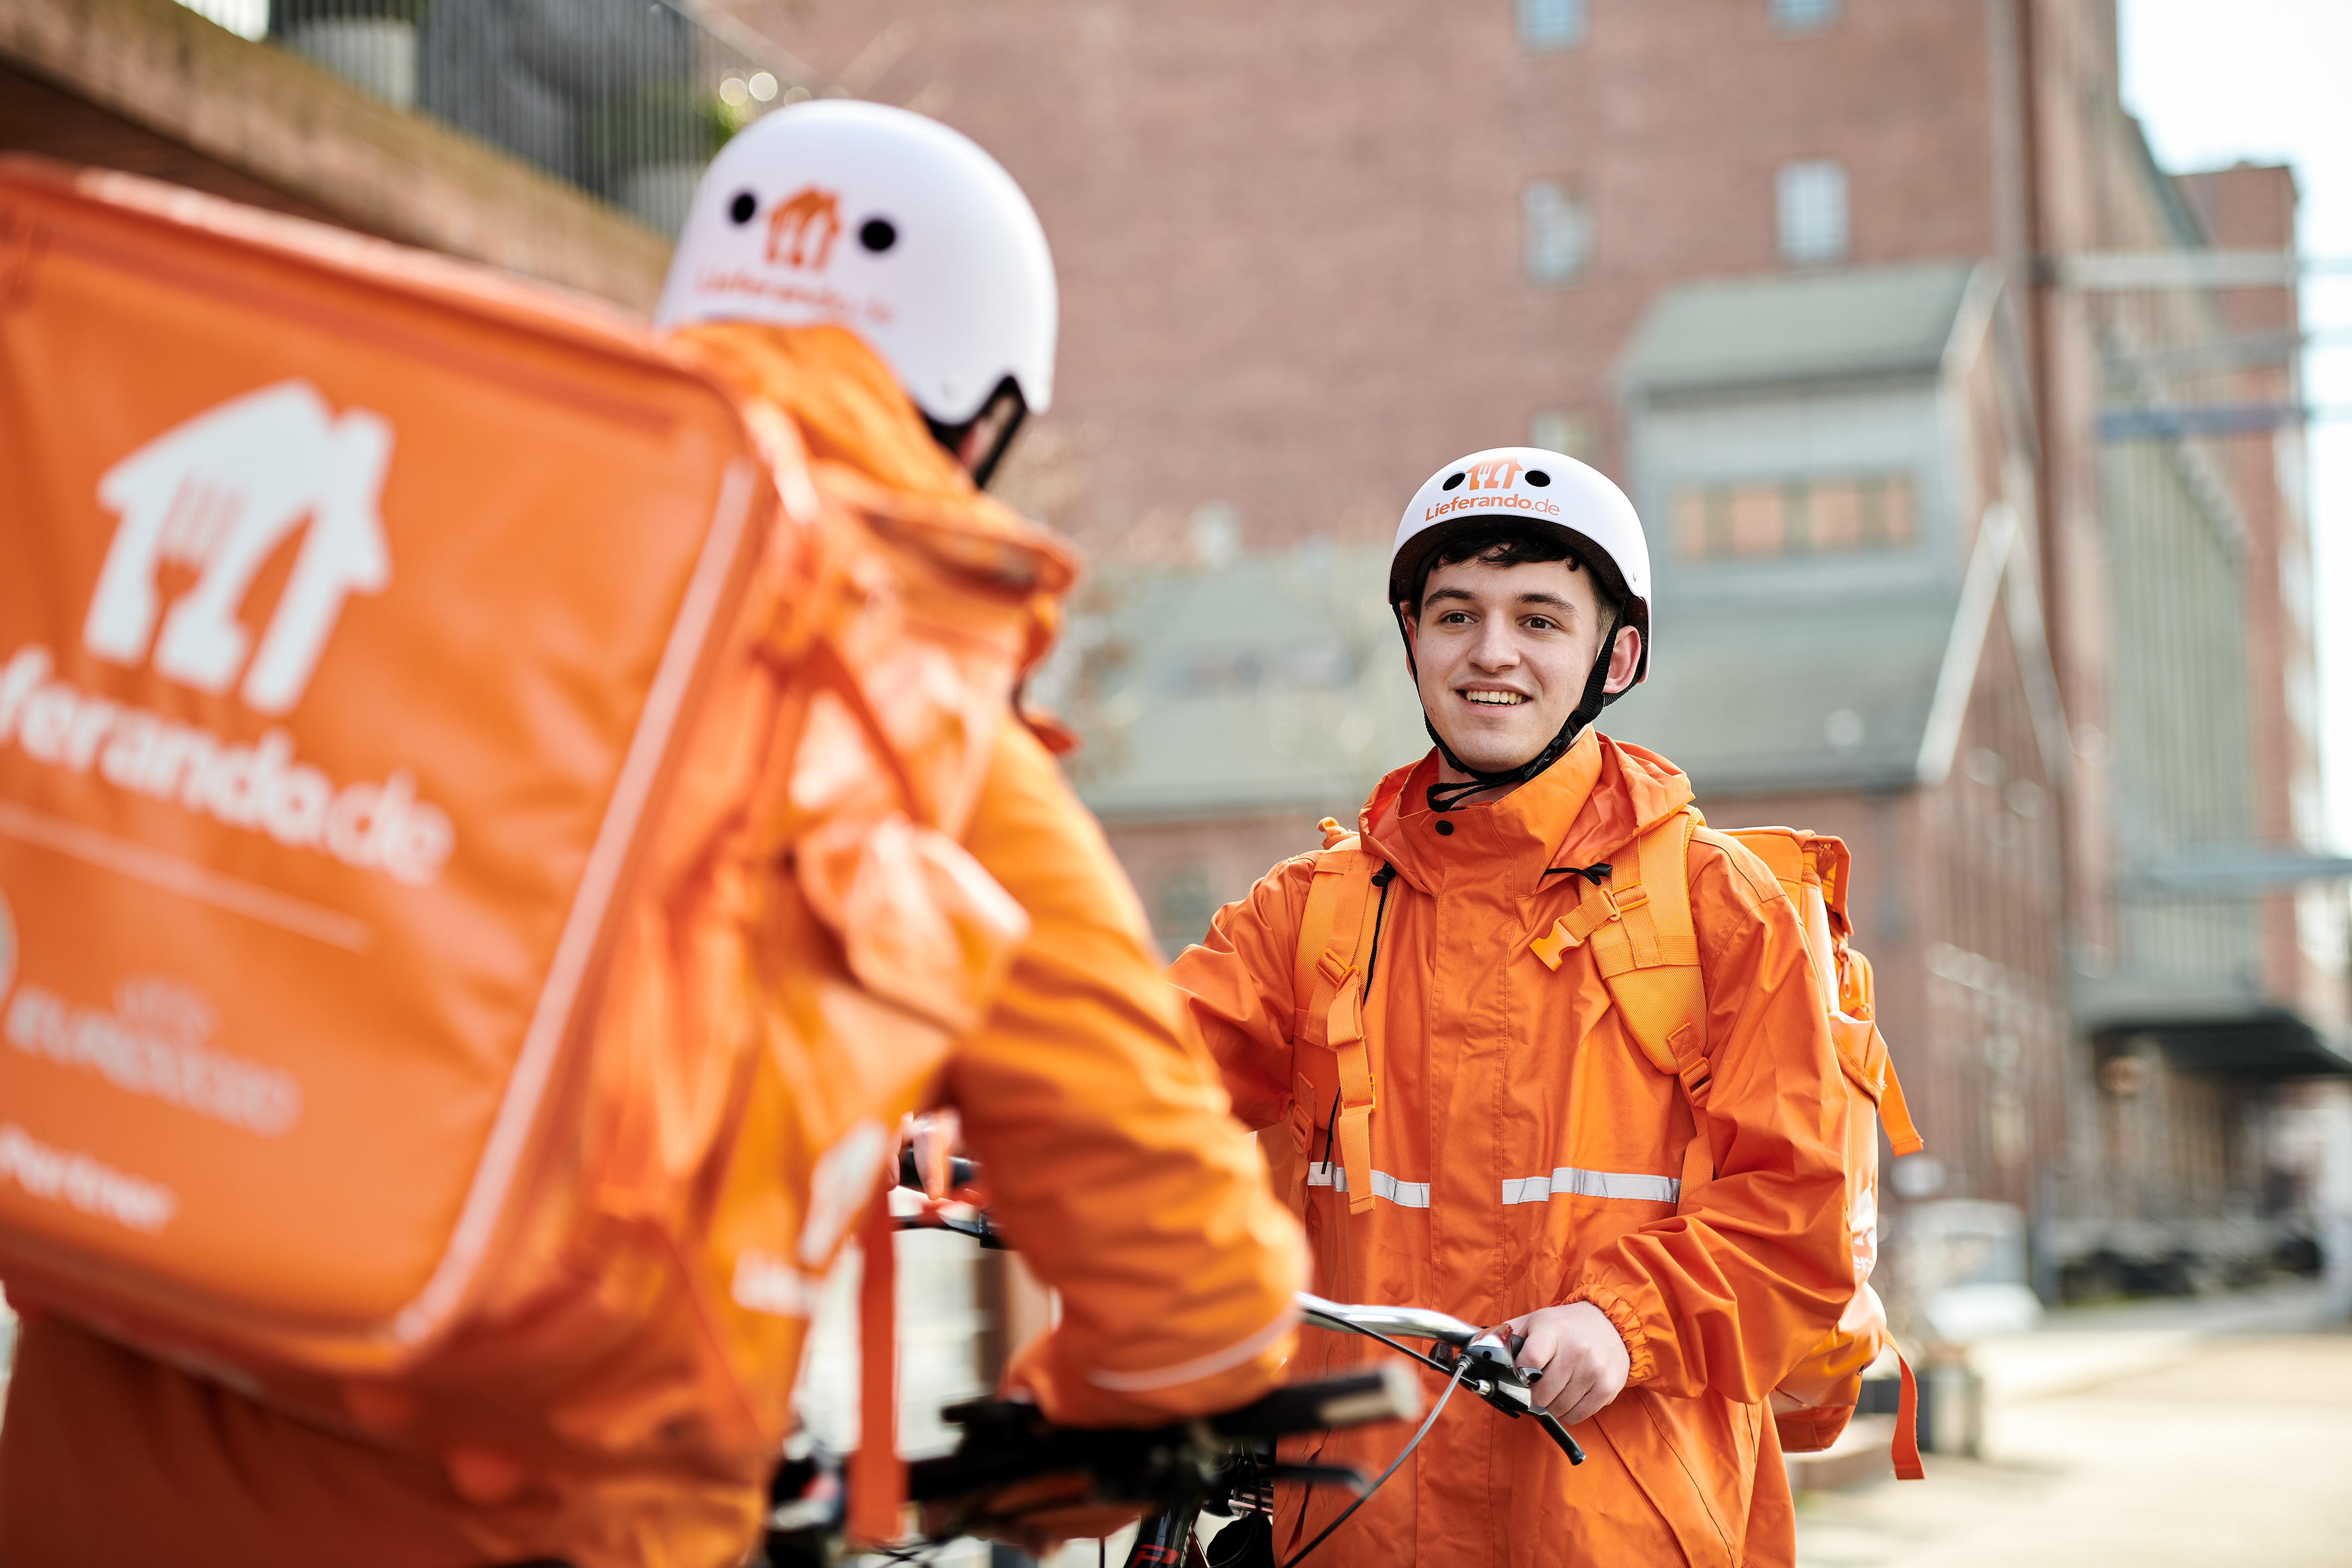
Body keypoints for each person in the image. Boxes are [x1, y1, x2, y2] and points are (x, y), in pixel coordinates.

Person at [0, 102, 1302, 1568]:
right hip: (535, 1519)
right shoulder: (911, 730)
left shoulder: (392, 560)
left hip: (83, 1471)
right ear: (983, 422)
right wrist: (1028, 1471)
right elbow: (1202, 1306)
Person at [1166, 448, 1853, 1566]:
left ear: (1614, 654)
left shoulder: (1722, 911)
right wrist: (949, 1127)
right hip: (1355, 1528)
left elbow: (1801, 1223)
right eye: (1456, 615)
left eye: (1540, 617)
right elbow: (1133, 1074)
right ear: (1413, 642)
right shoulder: (1311, 915)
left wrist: (1622, 1324)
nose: (1492, 652)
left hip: (1620, 1530)